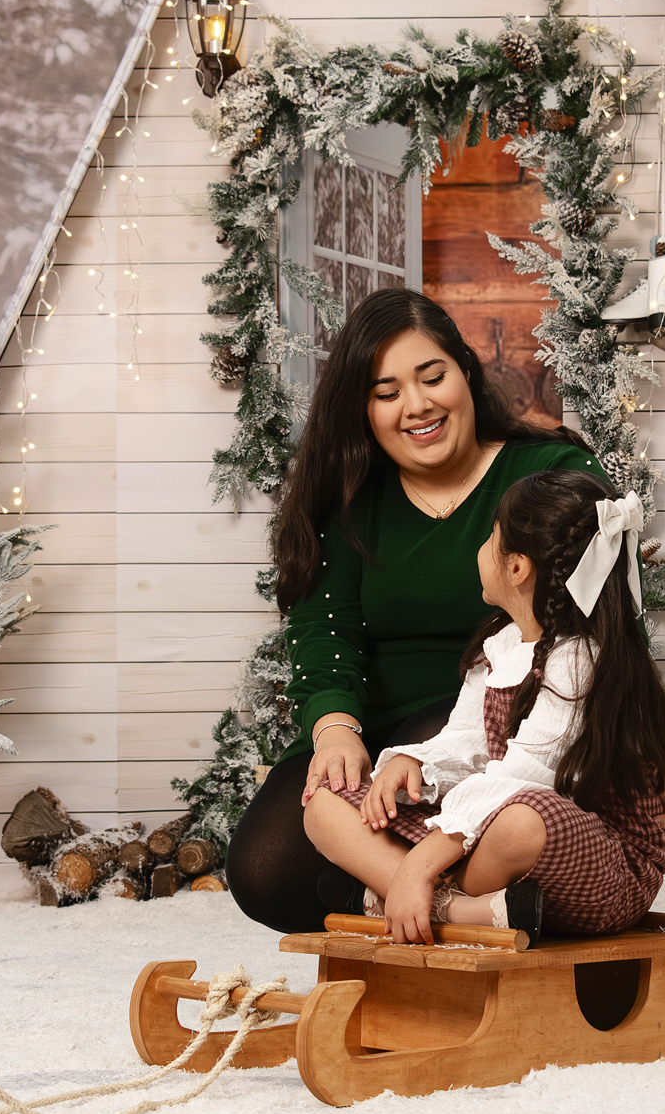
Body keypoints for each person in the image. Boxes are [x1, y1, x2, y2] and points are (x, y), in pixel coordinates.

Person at [226, 288, 603, 934]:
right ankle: (458, 910)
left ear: (465, 372)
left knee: (442, 749)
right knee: (264, 869)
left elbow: (609, 618)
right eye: (387, 391)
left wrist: (645, 753)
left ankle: (402, 891)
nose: (417, 405)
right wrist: (335, 729)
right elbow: (324, 629)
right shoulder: (350, 494)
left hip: (492, 725)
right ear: (362, 408)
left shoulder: (549, 474)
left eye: (432, 377)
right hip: (370, 724)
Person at [302, 469, 665, 943]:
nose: (480, 549)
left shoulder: (579, 661)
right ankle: (465, 911)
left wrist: (419, 866)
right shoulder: (502, 645)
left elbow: (522, 779)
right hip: (497, 830)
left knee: (520, 821)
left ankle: (400, 889)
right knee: (324, 804)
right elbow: (468, 740)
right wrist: (413, 763)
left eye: (490, 538)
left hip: (602, 860)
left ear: (516, 567)